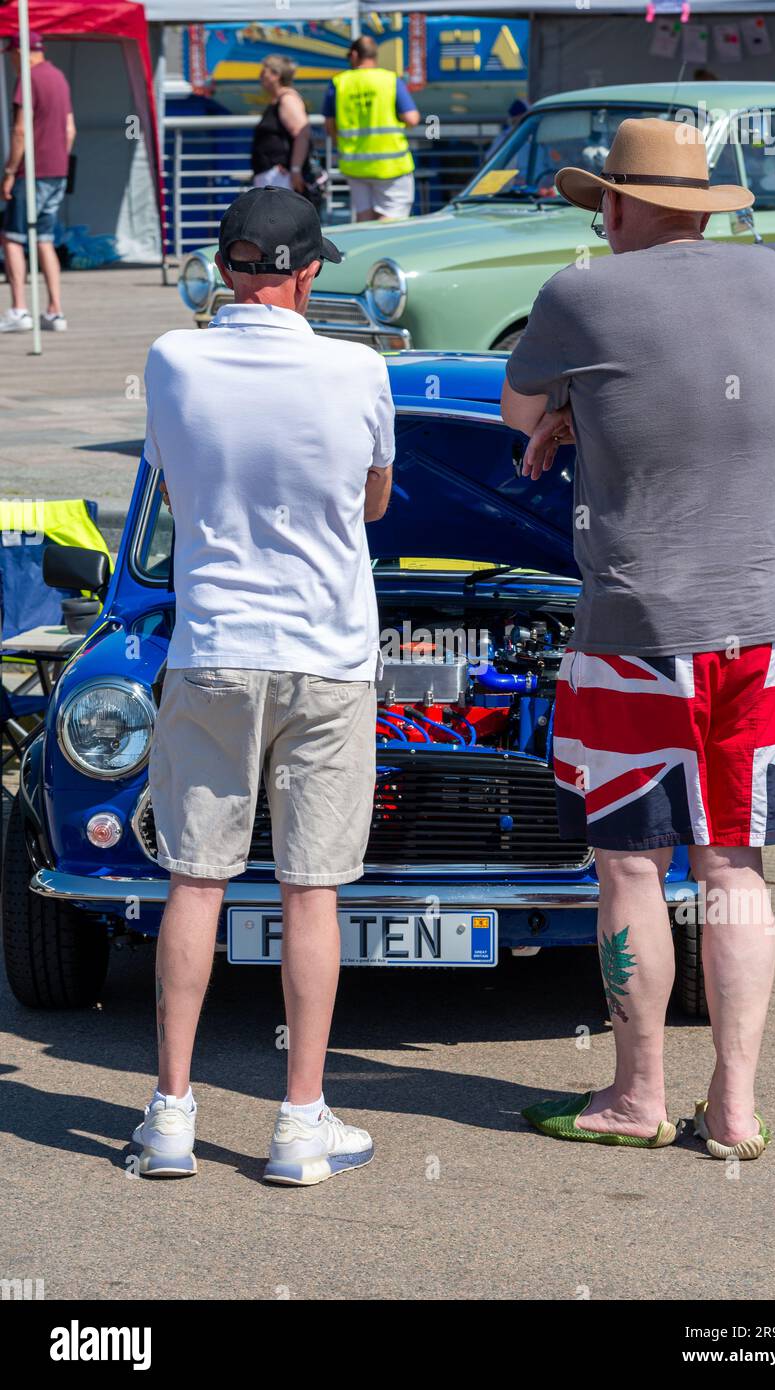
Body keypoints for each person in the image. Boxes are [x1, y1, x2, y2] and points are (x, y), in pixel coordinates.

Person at [502, 118, 775, 1161]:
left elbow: (515, 409)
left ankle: (638, 1095)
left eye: (603, 200)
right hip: (766, 623)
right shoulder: (772, 279)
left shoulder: (583, 292)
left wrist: (563, 414)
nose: (597, 215)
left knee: (631, 870)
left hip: (636, 630)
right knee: (736, 866)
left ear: (626, 205)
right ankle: (734, 1109)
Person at [134, 186, 394, 1185]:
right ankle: (300, 1122)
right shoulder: (358, 366)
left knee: (194, 879)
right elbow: (371, 502)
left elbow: (169, 476)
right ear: (309, 269)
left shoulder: (172, 359)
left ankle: (169, 1114)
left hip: (211, 646)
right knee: (311, 890)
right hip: (327, 655)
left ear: (227, 266)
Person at [0, 32, 74, 333]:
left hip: (32, 172)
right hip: (57, 170)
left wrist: (8, 171)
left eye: (12, 54)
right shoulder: (59, 77)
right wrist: (58, 159)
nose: (11, 60)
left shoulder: (28, 79)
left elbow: (20, 131)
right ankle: (55, 310)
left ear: (22, 52)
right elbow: (70, 130)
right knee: (44, 239)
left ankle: (19, 309)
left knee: (12, 238)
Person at [323, 35, 420, 222]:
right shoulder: (389, 80)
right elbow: (412, 118)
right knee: (392, 217)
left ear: (354, 55)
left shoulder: (339, 82)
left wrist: (340, 144)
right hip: (391, 164)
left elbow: (329, 126)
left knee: (364, 217)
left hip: (354, 164)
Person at [251, 54, 325, 213]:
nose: (260, 77)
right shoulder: (278, 100)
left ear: (276, 75)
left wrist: (295, 170)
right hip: (274, 175)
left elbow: (301, 134)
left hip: (281, 177)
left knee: (279, 219)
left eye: (264, 72)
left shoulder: (287, 99)